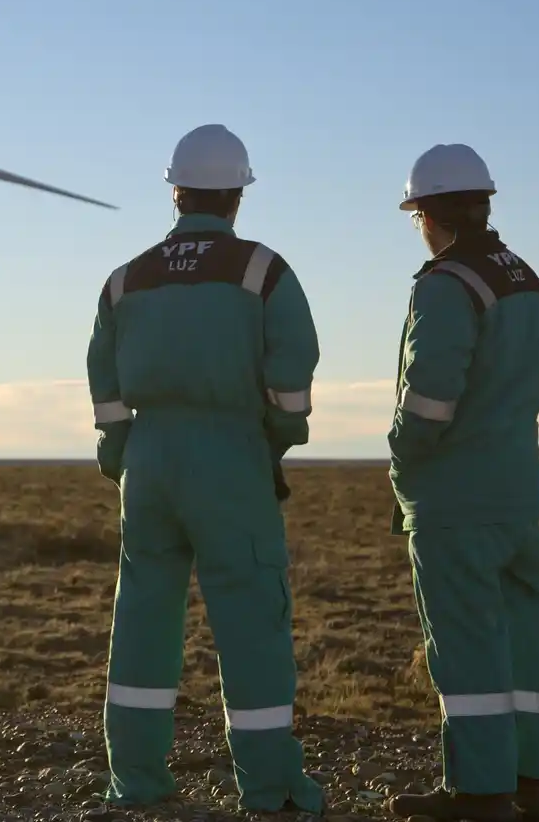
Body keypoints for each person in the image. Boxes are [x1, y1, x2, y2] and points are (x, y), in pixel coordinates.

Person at [85, 123, 324, 815]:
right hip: (231, 457)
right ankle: (270, 787)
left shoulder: (126, 279)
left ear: (176, 193)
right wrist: (273, 443)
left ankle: (135, 779)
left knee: (142, 621)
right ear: (237, 197)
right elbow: (292, 380)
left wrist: (120, 453)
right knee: (251, 622)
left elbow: (103, 381)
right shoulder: (263, 272)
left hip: (147, 464)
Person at [384, 144, 539, 822]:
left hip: (455, 497)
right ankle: (528, 780)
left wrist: (403, 456)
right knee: (523, 642)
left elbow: (430, 399)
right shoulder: (524, 279)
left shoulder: (445, 284)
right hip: (516, 490)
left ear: (427, 215)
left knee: (465, 646)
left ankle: (481, 792)